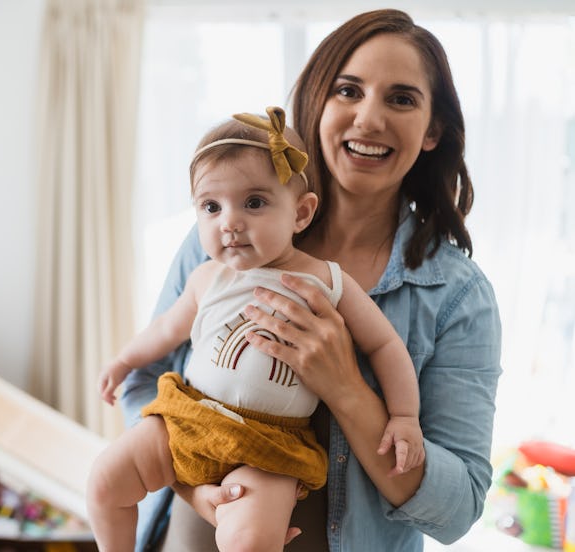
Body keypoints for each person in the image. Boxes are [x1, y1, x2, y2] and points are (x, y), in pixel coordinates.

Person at [118, 8, 502, 552]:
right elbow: (142, 379)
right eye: (348, 90)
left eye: (401, 98)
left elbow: (457, 509)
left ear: (434, 130)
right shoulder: (226, 241)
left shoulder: (457, 296)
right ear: (316, 102)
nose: (369, 119)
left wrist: (346, 385)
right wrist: (189, 483)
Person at [87, 106, 424, 552]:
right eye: (211, 206)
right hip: (187, 417)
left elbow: (384, 345)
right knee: (104, 483)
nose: (230, 222)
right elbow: (167, 329)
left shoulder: (326, 281)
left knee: (250, 541)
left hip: (270, 444)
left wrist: (404, 416)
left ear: (301, 213)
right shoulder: (207, 277)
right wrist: (125, 360)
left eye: (254, 202)